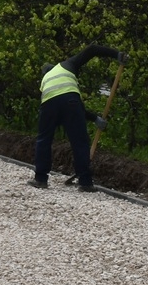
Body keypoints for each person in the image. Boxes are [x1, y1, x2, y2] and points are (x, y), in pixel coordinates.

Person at [28, 44, 123, 192]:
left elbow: (58, 100)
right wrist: (116, 54)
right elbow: (92, 50)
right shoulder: (66, 65)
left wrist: (94, 118)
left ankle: (40, 179)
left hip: (48, 103)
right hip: (71, 102)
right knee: (79, 141)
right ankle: (85, 182)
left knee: (44, 139)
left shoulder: (45, 80)